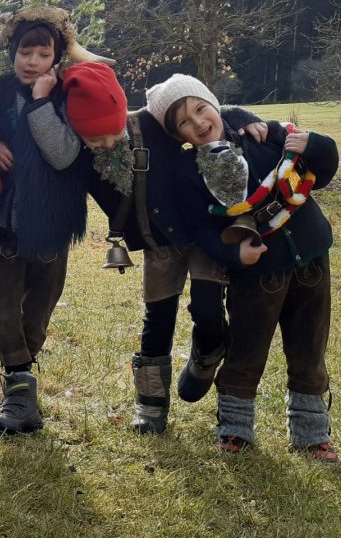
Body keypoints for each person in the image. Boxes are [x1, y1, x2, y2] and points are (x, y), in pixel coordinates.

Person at [64, 64, 264, 434]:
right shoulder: (78, 151)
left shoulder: (148, 123)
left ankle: (207, 353)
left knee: (208, 308)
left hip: (203, 230)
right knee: (157, 321)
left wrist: (243, 116)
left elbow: (204, 110)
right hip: (158, 244)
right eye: (94, 140)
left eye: (111, 133)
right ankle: (150, 406)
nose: (106, 143)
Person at [148, 75, 340, 460]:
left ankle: (312, 432)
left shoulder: (261, 136)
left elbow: (321, 174)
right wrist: (235, 257)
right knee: (247, 348)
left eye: (200, 109)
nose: (199, 123)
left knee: (309, 346)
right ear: (179, 135)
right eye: (185, 122)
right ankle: (235, 428)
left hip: (311, 257)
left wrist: (316, 145)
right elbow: (200, 228)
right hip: (256, 273)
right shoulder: (190, 171)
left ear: (213, 104)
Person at [0, 7, 94, 436]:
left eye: (42, 54)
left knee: (37, 311)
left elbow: (63, 153)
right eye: (25, 52)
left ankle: (21, 382)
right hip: (8, 219)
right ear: (12, 54)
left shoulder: (72, 95)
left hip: (52, 223)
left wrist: (43, 102)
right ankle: (20, 393)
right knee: (4, 307)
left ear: (55, 58)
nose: (31, 62)